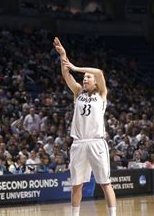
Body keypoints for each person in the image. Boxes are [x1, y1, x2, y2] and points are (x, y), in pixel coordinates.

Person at [54, 37, 116, 216]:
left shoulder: (102, 94)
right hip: (79, 143)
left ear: (95, 82)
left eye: (88, 77)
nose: (85, 79)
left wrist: (76, 67)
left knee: (105, 183)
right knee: (76, 185)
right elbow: (66, 75)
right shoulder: (77, 92)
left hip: (97, 142)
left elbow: (99, 71)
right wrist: (63, 55)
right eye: (84, 77)